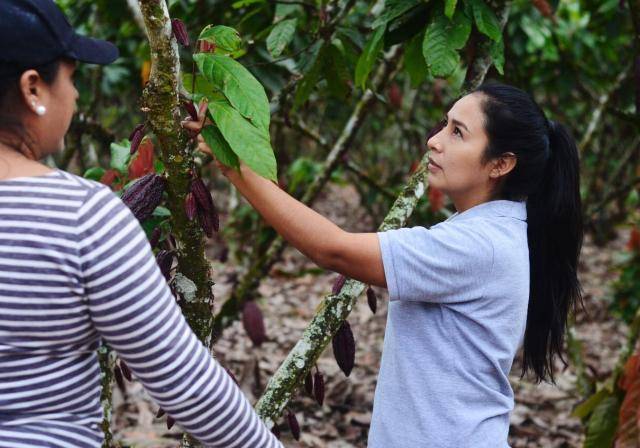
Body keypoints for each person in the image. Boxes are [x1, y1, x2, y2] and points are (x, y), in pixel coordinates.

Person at [185, 83, 584, 447]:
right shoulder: (492, 231)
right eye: (443, 125)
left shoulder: (479, 245)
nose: (434, 141)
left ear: (500, 164)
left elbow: (332, 250)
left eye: (457, 133)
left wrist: (234, 166)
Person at [0, 1, 282, 447]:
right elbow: (187, 383)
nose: (74, 96)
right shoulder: (83, 217)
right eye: (71, 78)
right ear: (33, 88)